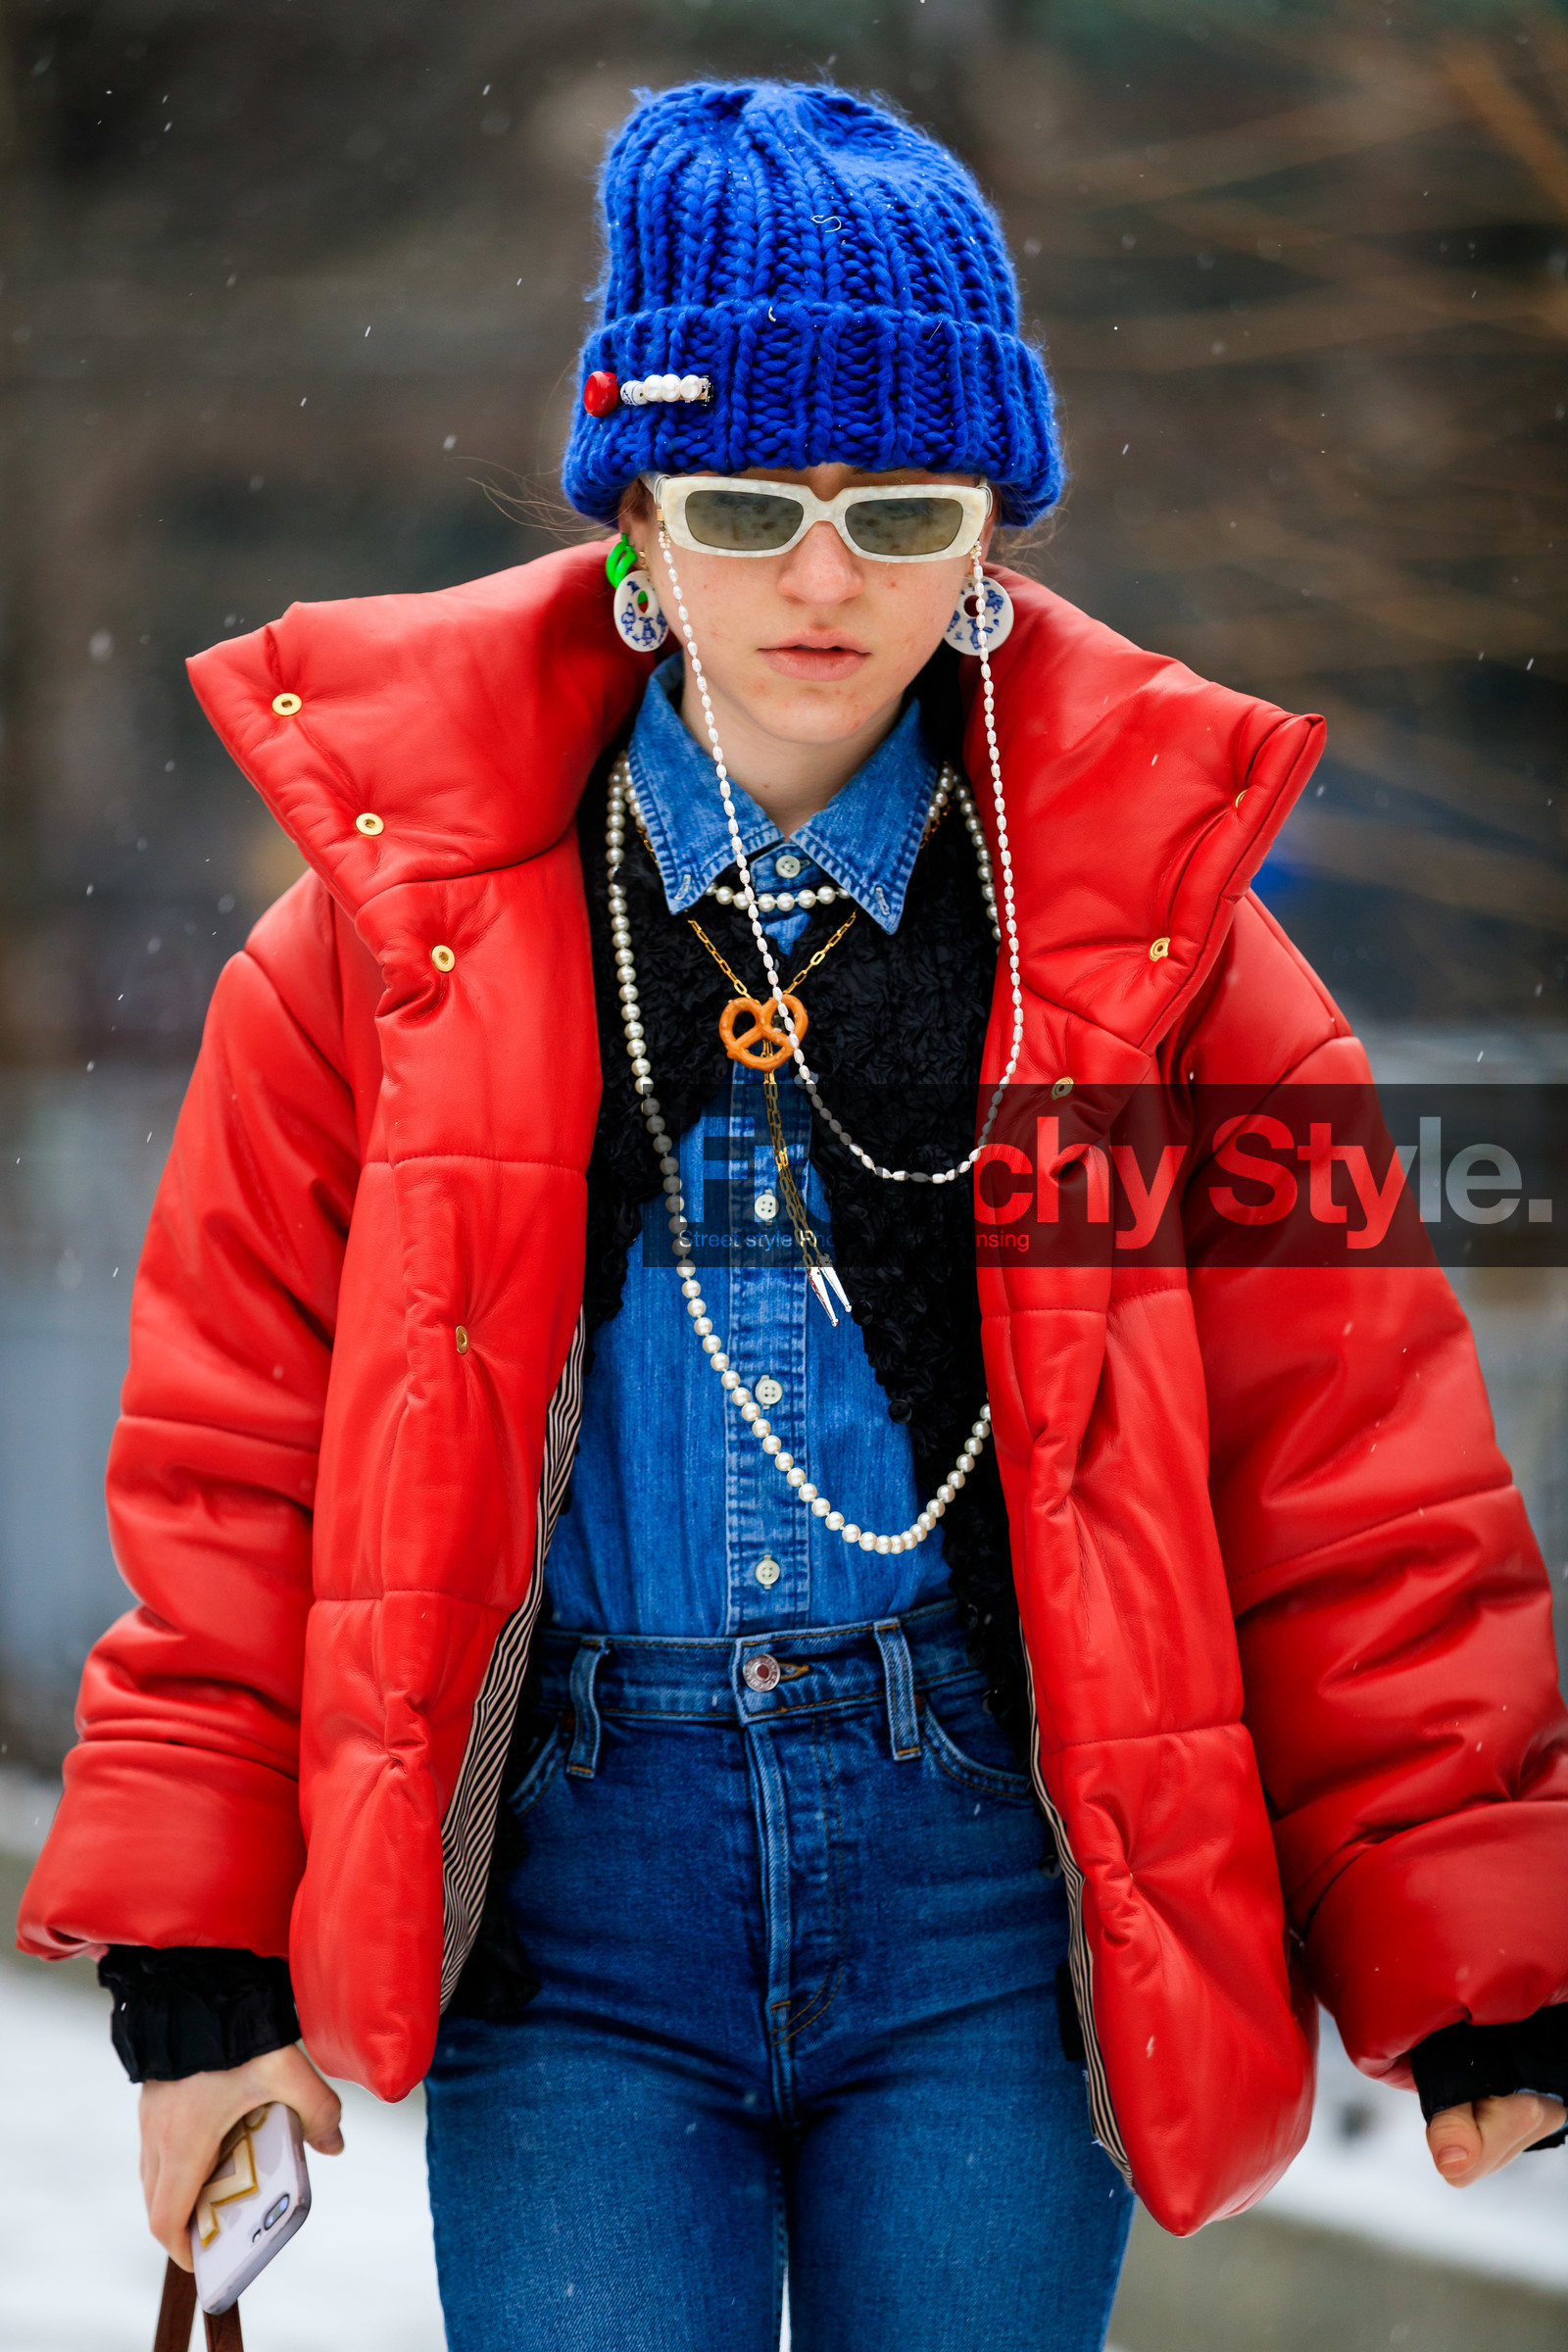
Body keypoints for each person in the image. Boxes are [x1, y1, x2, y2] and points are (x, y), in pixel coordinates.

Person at [18, 78, 1568, 2352]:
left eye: (899, 508)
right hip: (573, 1910)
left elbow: (1344, 1467)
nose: (822, 577)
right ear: (635, 517)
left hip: (992, 1889)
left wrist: (1472, 1954)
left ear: (990, 548)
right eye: (744, 504)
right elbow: (241, 1467)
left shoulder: (1161, 955)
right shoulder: (384, 948)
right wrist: (193, 1955)